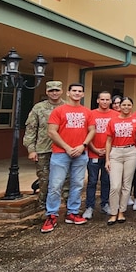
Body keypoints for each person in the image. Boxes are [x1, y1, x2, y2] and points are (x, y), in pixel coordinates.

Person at [41, 83, 95, 233]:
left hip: (80, 153)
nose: (77, 93)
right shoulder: (59, 111)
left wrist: (83, 145)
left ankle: (72, 212)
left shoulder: (87, 112)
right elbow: (52, 132)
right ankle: (51, 215)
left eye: (80, 91)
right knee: (55, 185)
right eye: (74, 91)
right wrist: (66, 147)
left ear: (83, 94)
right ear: (68, 93)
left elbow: (92, 131)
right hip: (60, 153)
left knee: (77, 184)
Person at [24, 80, 65, 208]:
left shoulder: (67, 107)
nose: (54, 93)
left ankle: (61, 205)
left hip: (62, 149)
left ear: (61, 91)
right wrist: (31, 149)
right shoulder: (39, 108)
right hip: (43, 149)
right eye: (51, 91)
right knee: (44, 179)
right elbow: (31, 128)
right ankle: (43, 206)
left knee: (64, 179)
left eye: (57, 90)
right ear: (47, 92)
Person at [105, 97, 136, 225]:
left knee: (127, 184)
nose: (126, 107)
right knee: (115, 185)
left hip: (131, 152)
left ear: (132, 106)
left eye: (129, 105)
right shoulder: (112, 121)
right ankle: (113, 212)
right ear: (120, 106)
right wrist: (107, 159)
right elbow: (108, 140)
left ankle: (121, 211)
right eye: (124, 105)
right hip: (116, 152)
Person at [84, 91, 113, 218]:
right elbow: (86, 134)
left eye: (107, 99)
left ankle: (105, 204)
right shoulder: (91, 114)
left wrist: (108, 151)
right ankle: (89, 207)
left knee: (106, 181)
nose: (105, 102)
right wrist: (94, 149)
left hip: (109, 155)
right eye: (102, 99)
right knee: (92, 181)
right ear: (97, 100)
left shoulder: (116, 115)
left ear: (111, 101)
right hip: (93, 153)